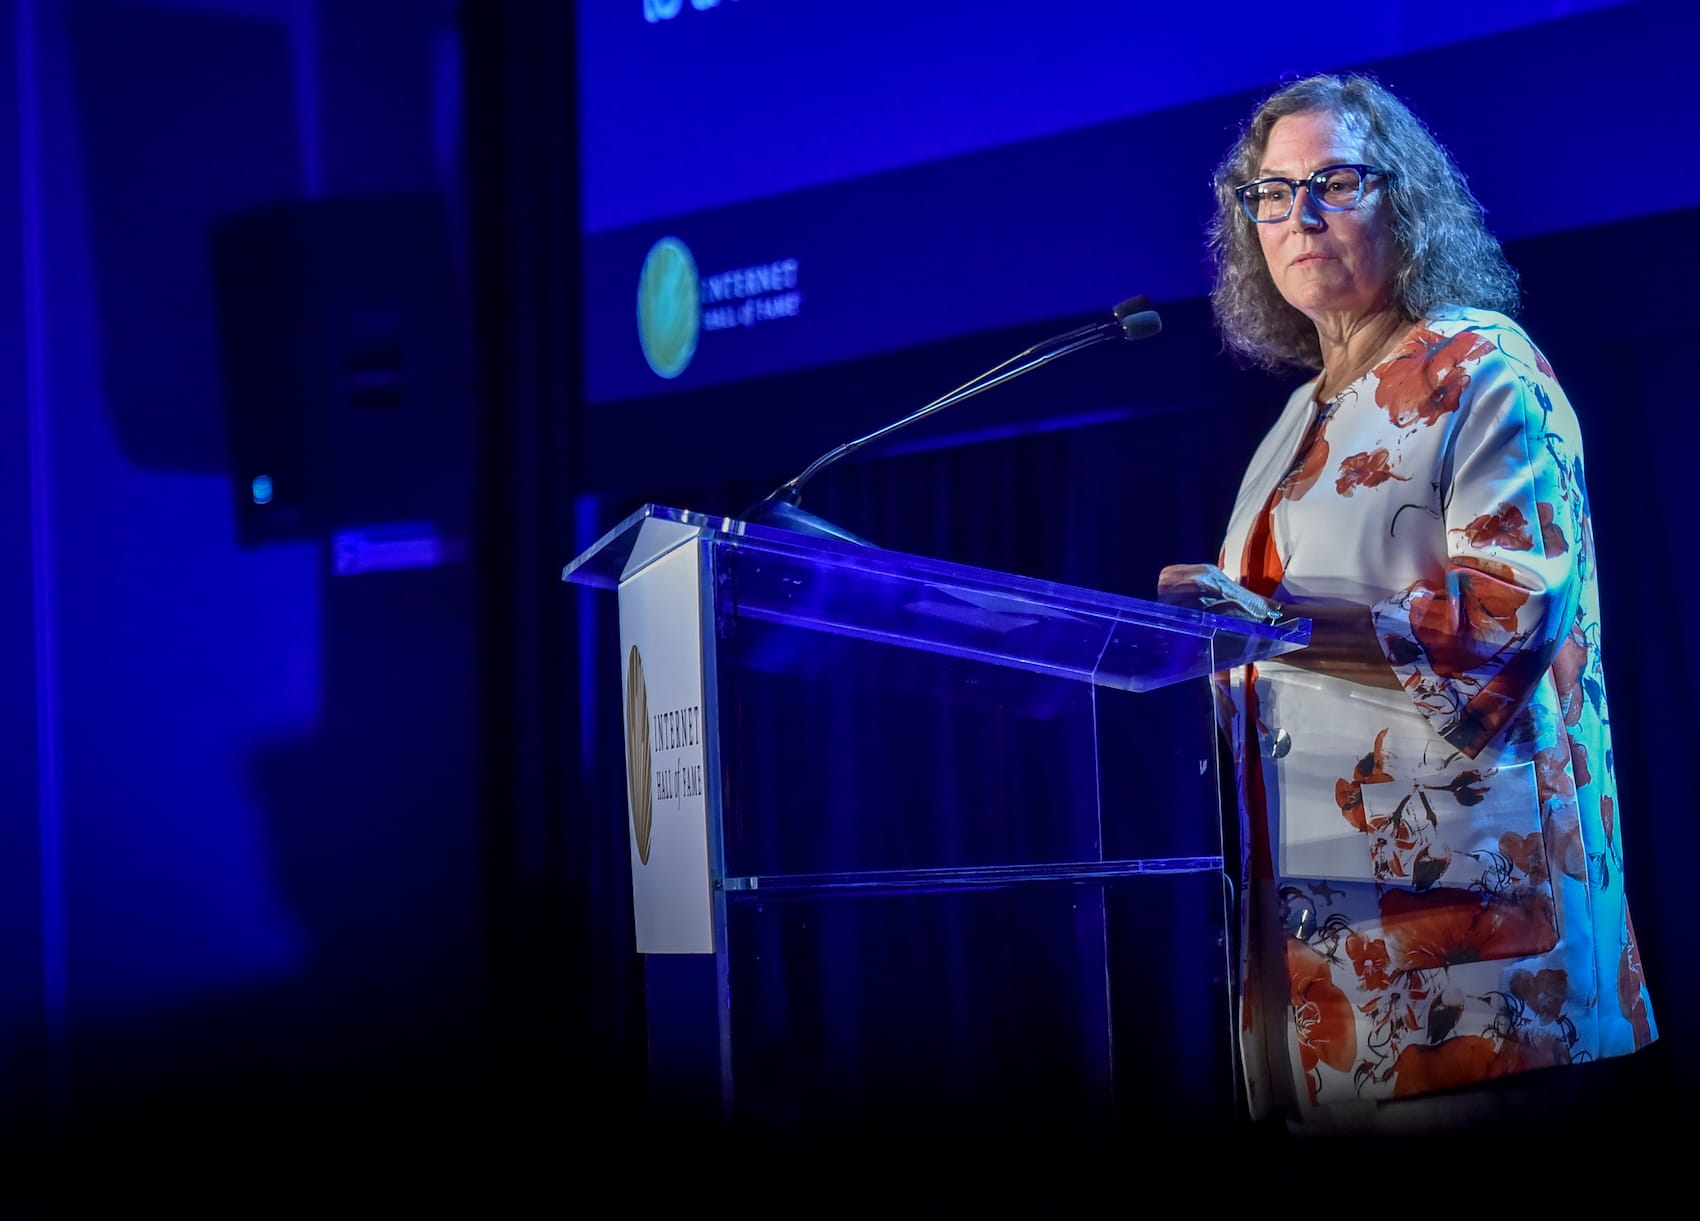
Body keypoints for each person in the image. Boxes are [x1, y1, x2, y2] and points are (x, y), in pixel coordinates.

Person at [1156, 73, 1658, 1143]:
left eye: (1333, 182)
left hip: (1466, 944)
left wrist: (1271, 621)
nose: (1298, 214)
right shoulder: (1298, 415)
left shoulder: (1479, 364)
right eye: (1270, 190)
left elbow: (1506, 619)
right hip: (1313, 942)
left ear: (1406, 202)